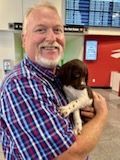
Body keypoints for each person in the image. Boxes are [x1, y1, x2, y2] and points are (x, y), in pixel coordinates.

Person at [0, 2, 108, 160]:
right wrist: (101, 115)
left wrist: (86, 115)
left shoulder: (57, 76)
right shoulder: (20, 84)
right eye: (40, 29)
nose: (51, 38)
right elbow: (69, 155)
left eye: (57, 30)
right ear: (24, 40)